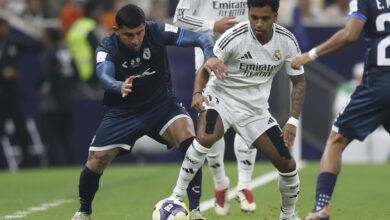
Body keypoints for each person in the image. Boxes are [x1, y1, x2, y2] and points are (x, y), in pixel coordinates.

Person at [70, 4, 226, 220]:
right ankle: (84, 211)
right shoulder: (107, 47)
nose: (135, 40)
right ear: (116, 31)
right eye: (128, 35)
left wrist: (209, 55)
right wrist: (118, 85)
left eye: (139, 33)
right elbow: (104, 77)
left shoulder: (157, 31)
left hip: (161, 104)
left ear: (145, 26)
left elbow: (202, 38)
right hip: (123, 111)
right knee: (97, 159)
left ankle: (196, 210)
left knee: (190, 139)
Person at [171, 0, 305, 219]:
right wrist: (197, 93)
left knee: (287, 164)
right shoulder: (234, 36)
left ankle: (288, 215)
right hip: (221, 98)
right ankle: (176, 197)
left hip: (255, 110)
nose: (258, 23)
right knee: (205, 137)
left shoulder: (287, 41)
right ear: (249, 14)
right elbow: (207, 66)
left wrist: (292, 120)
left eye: (265, 18)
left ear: (276, 17)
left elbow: (298, 81)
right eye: (253, 17)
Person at [291, 1, 390, 219]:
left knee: (336, 141)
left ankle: (321, 208)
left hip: (378, 86)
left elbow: (350, 34)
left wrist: (311, 54)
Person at [173, 0, 257, 215]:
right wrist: (212, 25)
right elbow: (179, 17)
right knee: (211, 127)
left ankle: (245, 185)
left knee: (249, 118)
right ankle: (220, 184)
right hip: (209, 59)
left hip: (244, 57)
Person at [37, 27, 78, 166]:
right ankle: (71, 163)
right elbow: (76, 74)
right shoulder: (66, 53)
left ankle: (52, 164)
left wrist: (40, 88)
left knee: (50, 137)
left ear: (49, 37)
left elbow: (46, 77)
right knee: (66, 137)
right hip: (66, 100)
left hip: (51, 102)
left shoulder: (49, 52)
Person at [0, 18, 33, 168]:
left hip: (12, 94)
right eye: (3, 28)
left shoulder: (12, 43)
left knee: (21, 128)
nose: (5, 31)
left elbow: (34, 46)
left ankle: (27, 163)